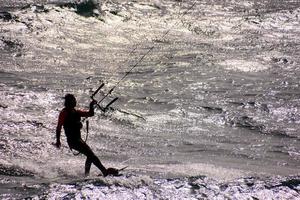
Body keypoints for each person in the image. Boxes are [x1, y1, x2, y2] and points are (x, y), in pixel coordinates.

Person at [54, 94, 113, 177]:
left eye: (75, 100)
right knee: (91, 155)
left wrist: (91, 105)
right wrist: (58, 140)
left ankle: (87, 175)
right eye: (73, 100)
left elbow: (90, 114)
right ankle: (104, 172)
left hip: (78, 139)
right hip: (72, 141)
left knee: (90, 155)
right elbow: (59, 127)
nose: (75, 101)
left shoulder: (76, 112)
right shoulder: (64, 113)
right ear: (69, 102)